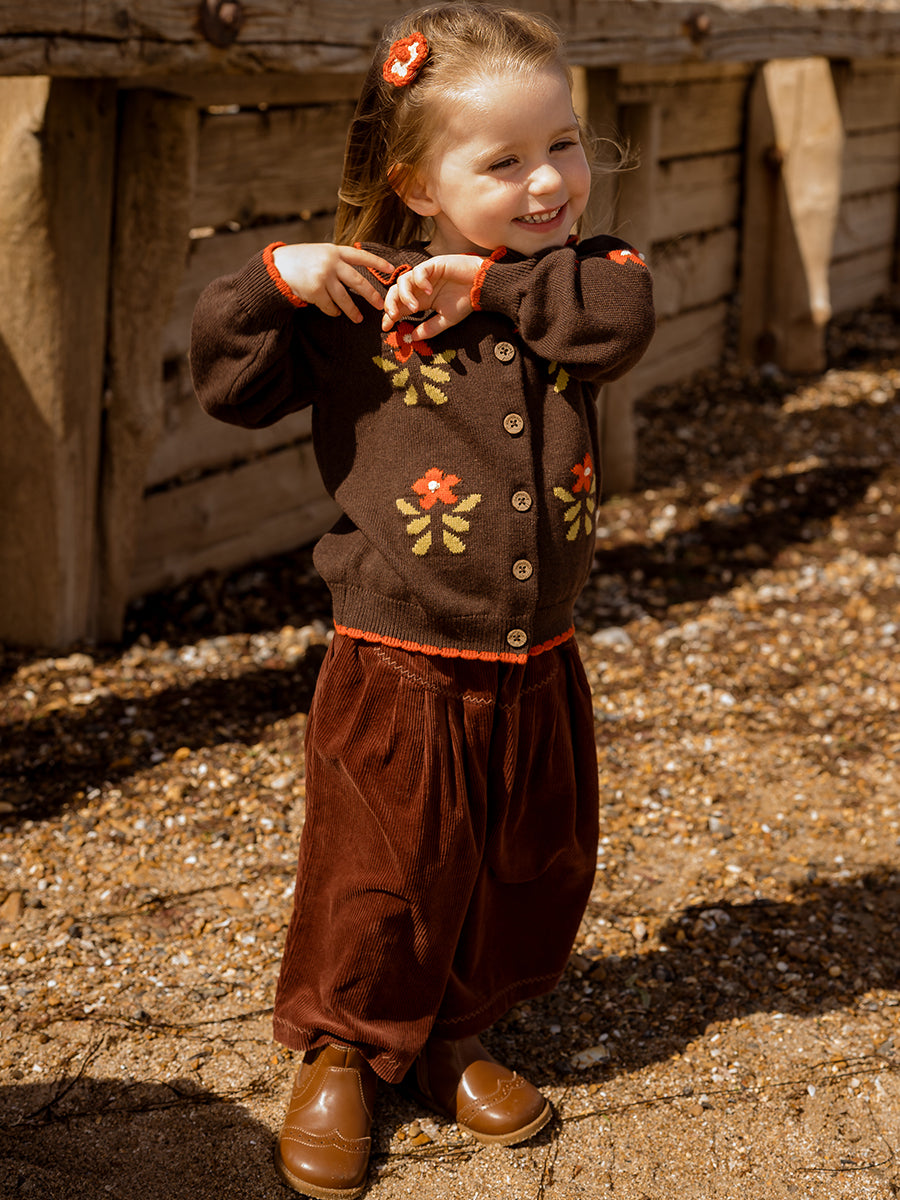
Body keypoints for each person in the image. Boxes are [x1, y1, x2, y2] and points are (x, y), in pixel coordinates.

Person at [190, 4, 655, 1196]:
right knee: (381, 868)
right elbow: (230, 386)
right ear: (415, 182)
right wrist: (272, 281)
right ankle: (343, 1051)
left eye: (564, 143)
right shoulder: (360, 301)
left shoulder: (576, 281)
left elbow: (618, 322)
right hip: (395, 651)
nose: (548, 180)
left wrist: (487, 286)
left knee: (517, 859)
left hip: (536, 650)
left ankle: (451, 1033)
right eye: (503, 161)